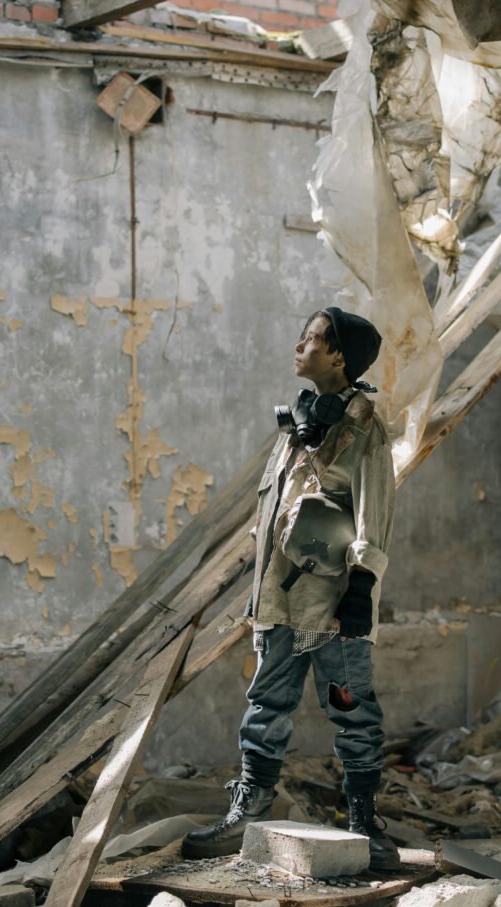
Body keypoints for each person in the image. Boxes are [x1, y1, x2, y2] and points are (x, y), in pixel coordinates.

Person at [181, 307, 400, 871]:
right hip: (279, 599)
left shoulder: (364, 431)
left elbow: (375, 511)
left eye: (311, 338)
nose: (299, 344)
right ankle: (247, 813)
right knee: (266, 704)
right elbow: (273, 511)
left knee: (353, 711)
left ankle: (362, 823)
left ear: (339, 356)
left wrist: (363, 582)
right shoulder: (296, 428)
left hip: (334, 607)